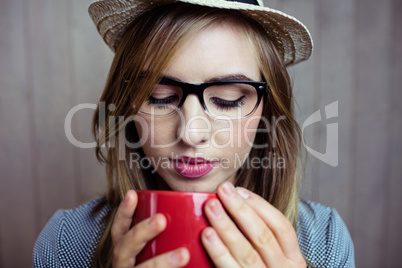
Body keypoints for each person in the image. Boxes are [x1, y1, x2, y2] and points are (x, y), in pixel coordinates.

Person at [33, 0, 355, 267]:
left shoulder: (323, 241)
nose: (191, 132)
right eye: (159, 97)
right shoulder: (65, 243)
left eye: (227, 100)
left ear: (266, 109)